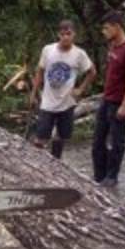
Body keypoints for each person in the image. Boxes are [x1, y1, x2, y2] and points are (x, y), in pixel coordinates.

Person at [29, 20, 96, 159]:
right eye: (62, 34)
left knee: (61, 137)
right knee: (41, 137)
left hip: (67, 102)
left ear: (74, 34)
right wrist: (33, 93)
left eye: (68, 34)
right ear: (58, 35)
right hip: (48, 101)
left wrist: (80, 89)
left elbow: (92, 72)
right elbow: (40, 71)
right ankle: (37, 163)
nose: (65, 37)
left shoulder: (79, 54)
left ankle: (56, 163)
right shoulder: (48, 50)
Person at [92, 11, 125, 187]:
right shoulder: (113, 45)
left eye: (106, 28)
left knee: (116, 142)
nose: (104, 32)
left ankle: (112, 177)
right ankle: (99, 176)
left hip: (118, 102)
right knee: (98, 141)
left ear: (117, 27)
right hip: (106, 99)